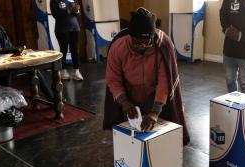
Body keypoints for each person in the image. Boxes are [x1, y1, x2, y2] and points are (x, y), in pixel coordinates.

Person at [103, 7, 190, 145]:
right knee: (131, 140)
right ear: (130, 36)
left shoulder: (163, 45)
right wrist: (124, 101)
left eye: (146, 42)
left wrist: (155, 112)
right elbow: (113, 78)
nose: (142, 46)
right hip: (129, 93)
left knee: (159, 138)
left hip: (154, 94)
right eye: (137, 42)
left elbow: (164, 80)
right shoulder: (118, 47)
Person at [50, 0, 83, 81]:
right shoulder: (54, 1)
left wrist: (77, 10)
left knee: (75, 50)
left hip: (75, 28)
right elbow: (55, 14)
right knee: (63, 50)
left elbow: (79, 14)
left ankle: (76, 71)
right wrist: (69, 10)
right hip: (62, 29)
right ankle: (63, 71)